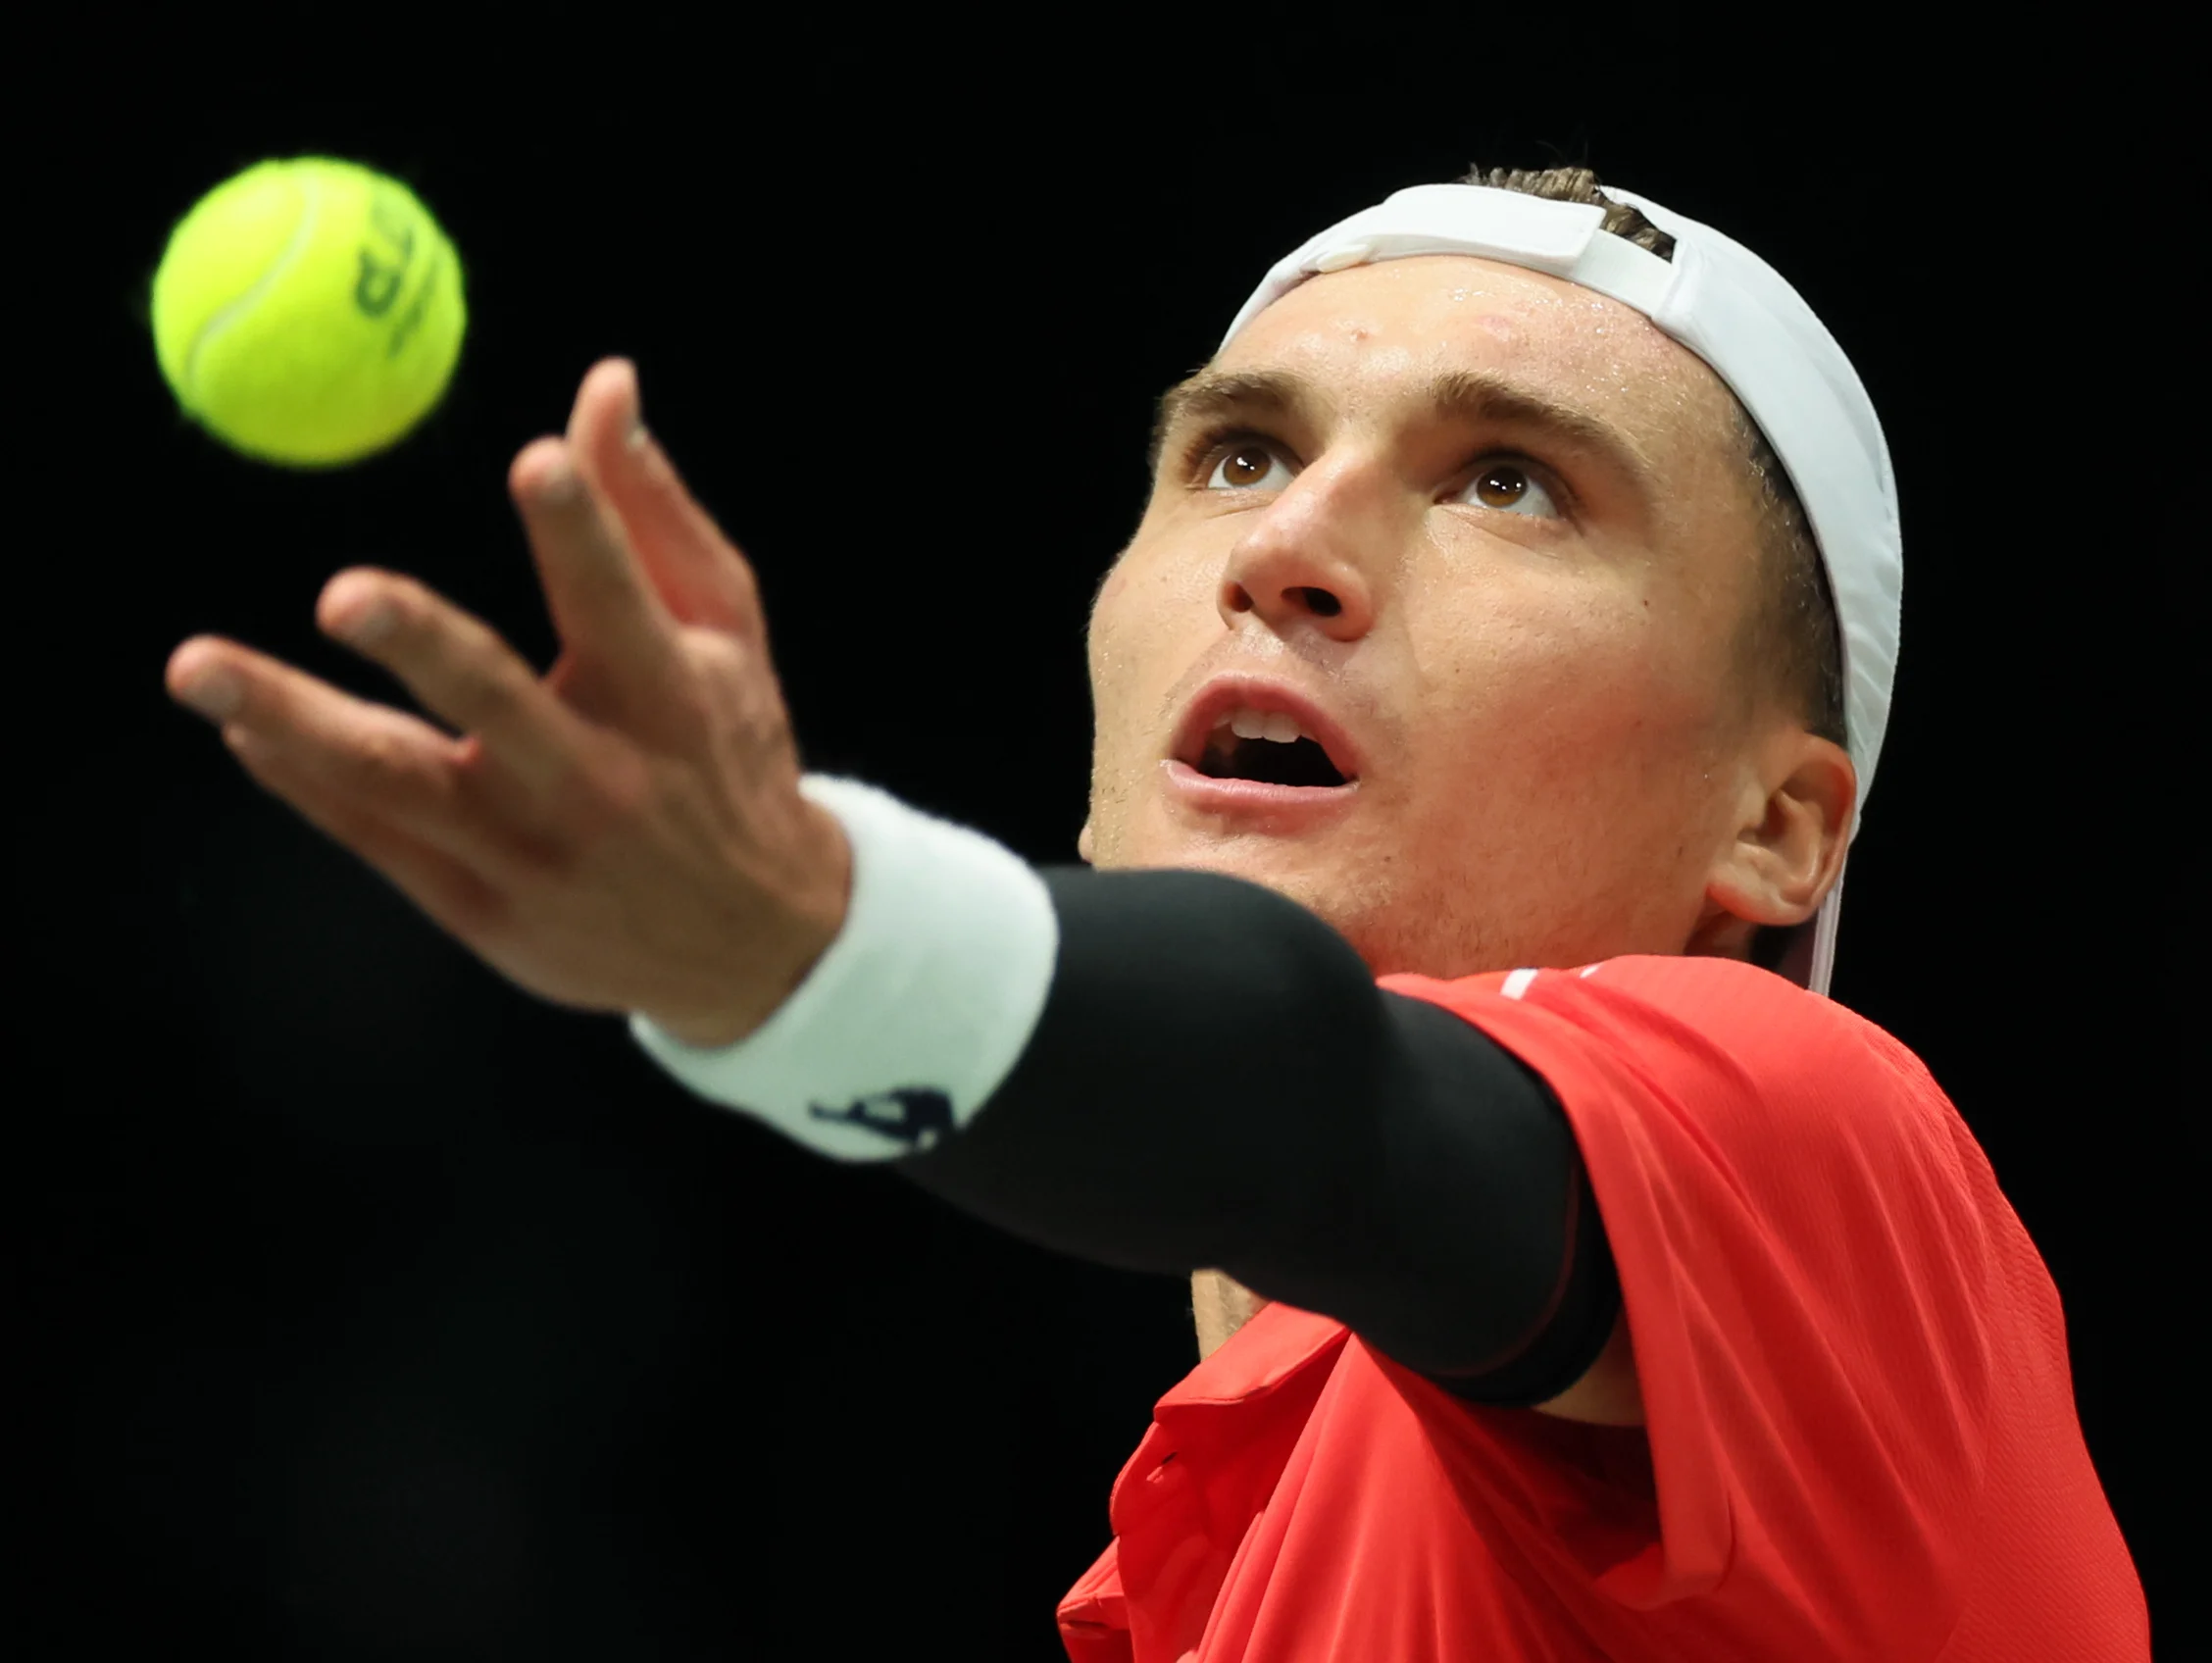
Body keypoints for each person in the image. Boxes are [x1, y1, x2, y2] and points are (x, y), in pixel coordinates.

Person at [164, 165, 2149, 1660]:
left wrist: (818, 940)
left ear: (1785, 827)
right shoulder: (1176, 1577)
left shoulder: (1827, 1162)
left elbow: (1317, 1094)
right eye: (1241, 450)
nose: (1287, 543)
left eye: (1511, 484)